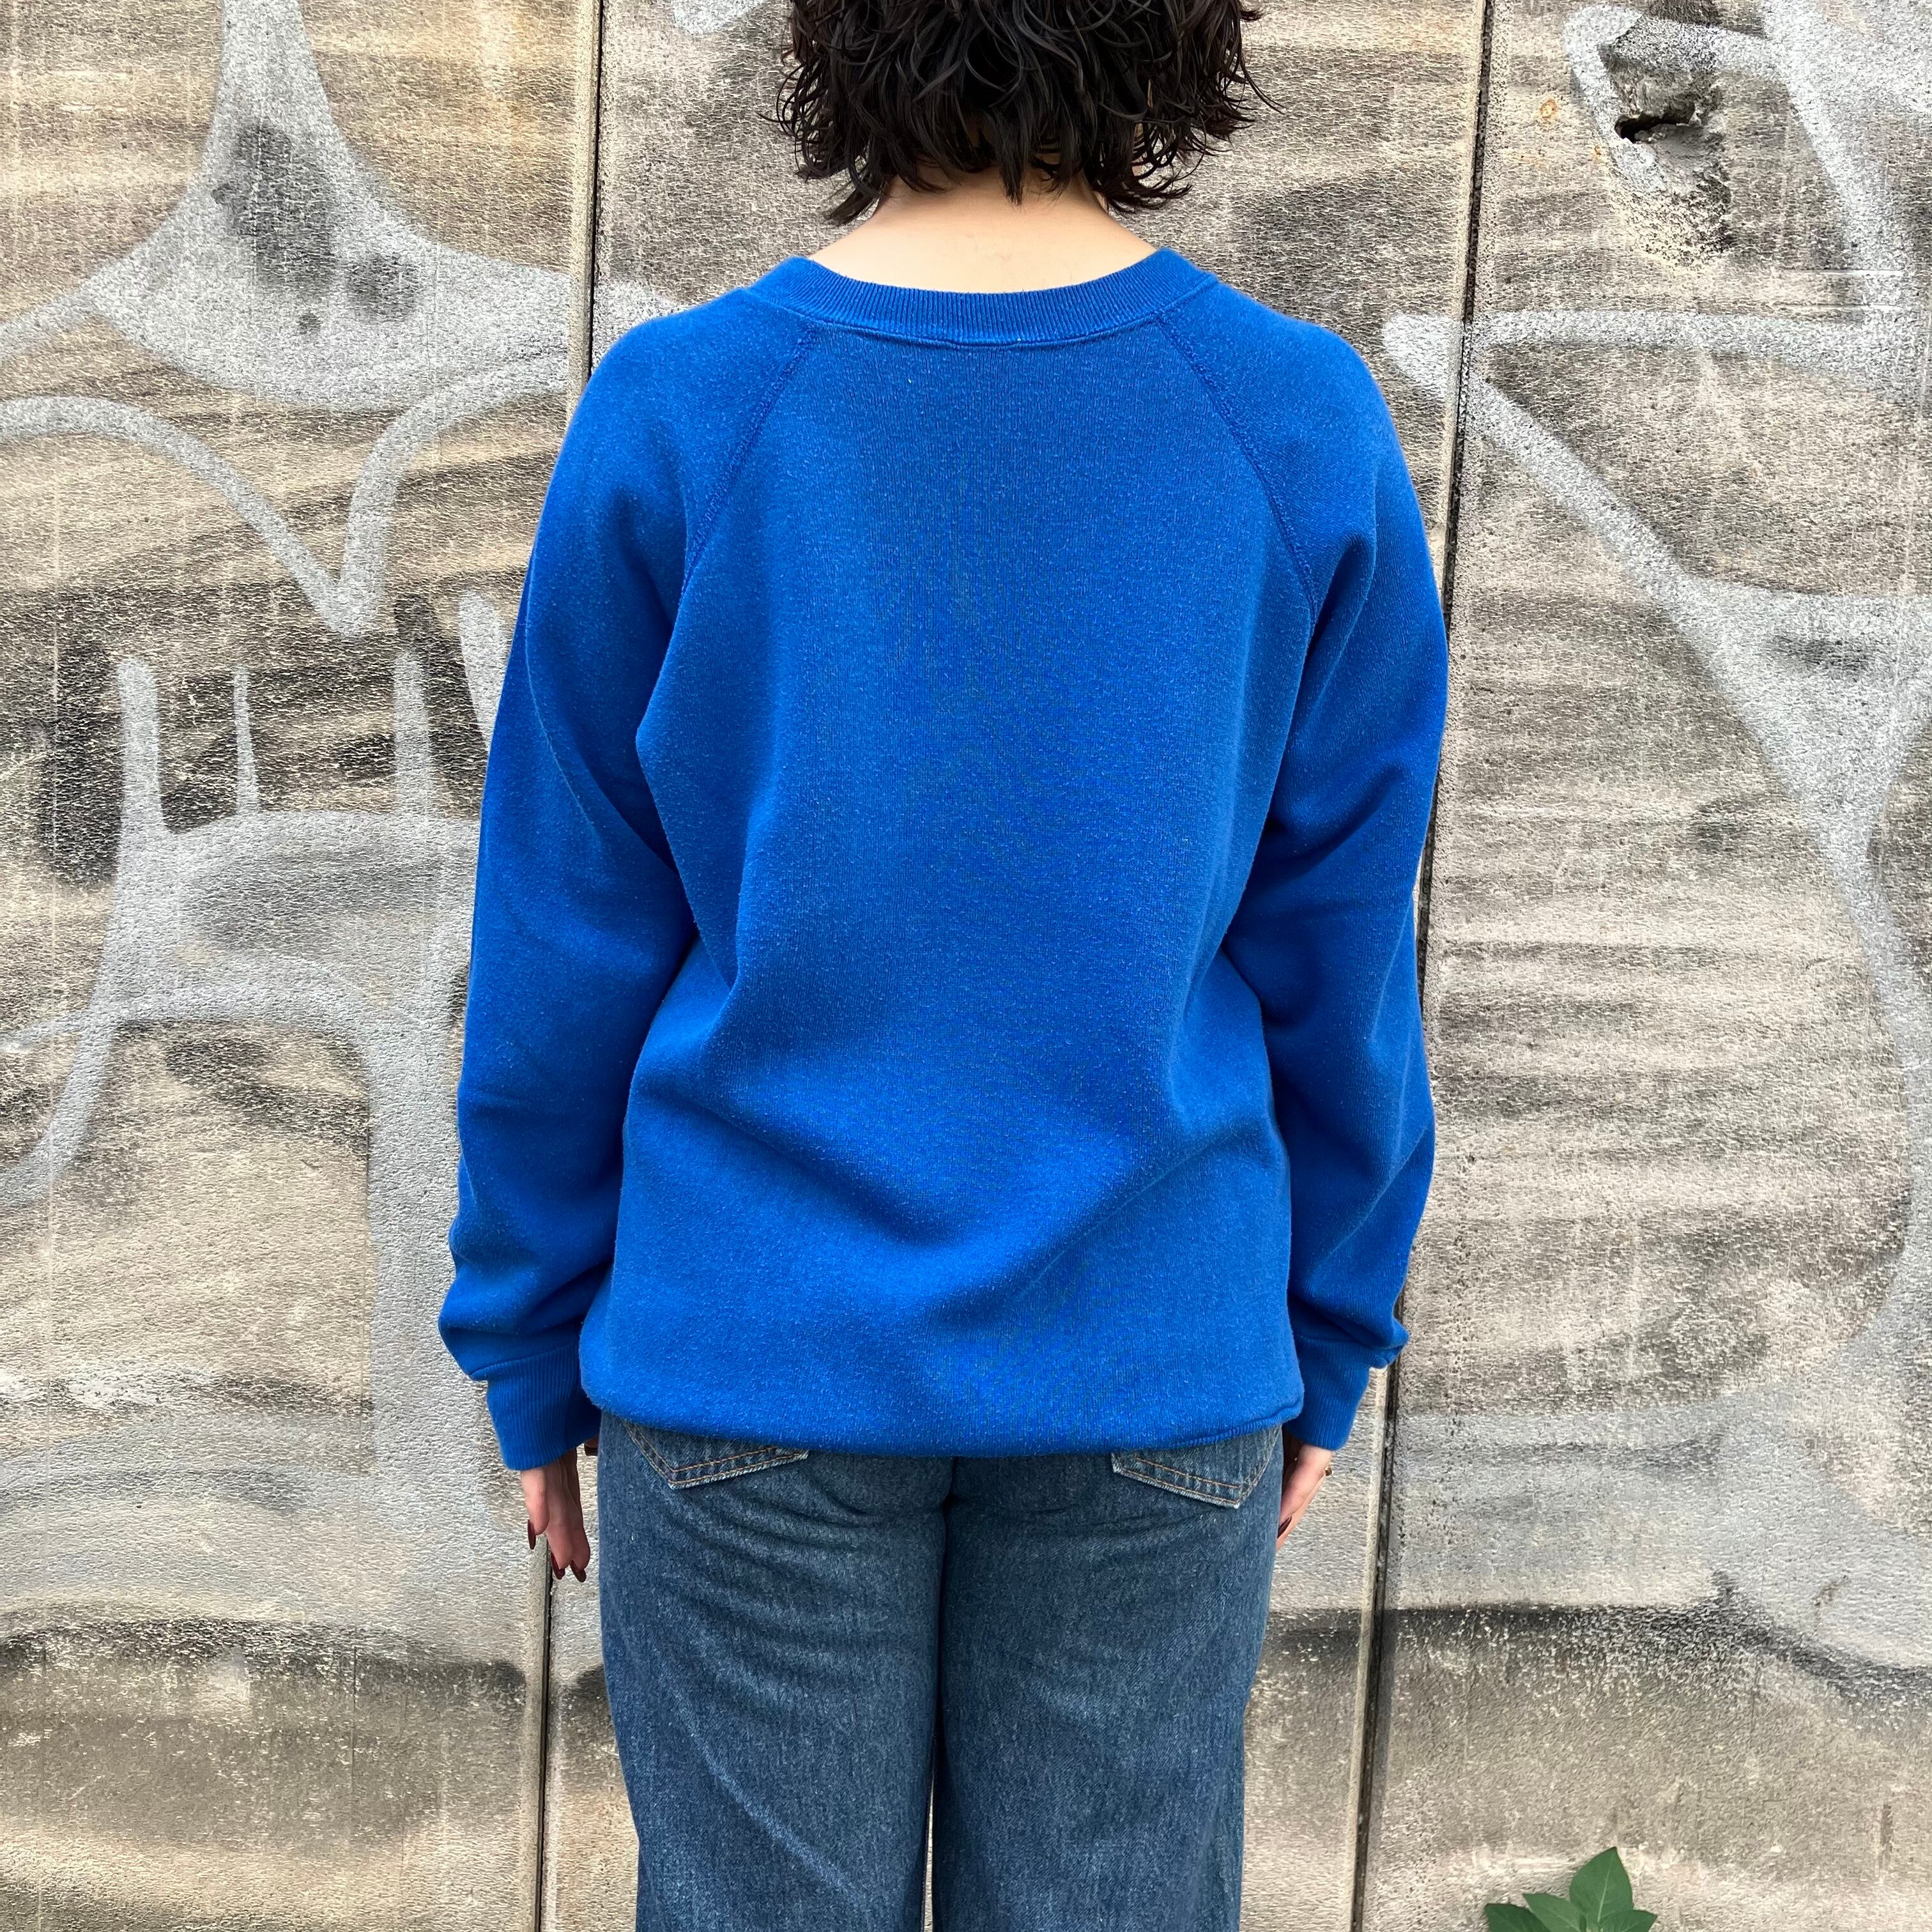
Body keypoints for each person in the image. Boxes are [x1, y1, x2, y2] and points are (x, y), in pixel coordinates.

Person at [436, 0, 1449, 1920]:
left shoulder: (684, 408)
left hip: (745, 1358)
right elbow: (1342, 956)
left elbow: (564, 939)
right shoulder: (1297, 419)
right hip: (1156, 1366)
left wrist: (527, 1340)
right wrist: (1326, 1335)